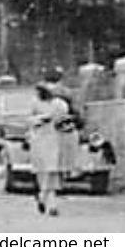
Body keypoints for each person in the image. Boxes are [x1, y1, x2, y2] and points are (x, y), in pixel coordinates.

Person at [28, 83, 75, 216]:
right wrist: (40, 119)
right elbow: (30, 120)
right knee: (45, 173)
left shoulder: (59, 104)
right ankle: (48, 201)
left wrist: (57, 120)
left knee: (52, 172)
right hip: (39, 141)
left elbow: (65, 121)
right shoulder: (35, 103)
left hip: (55, 141)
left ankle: (46, 200)